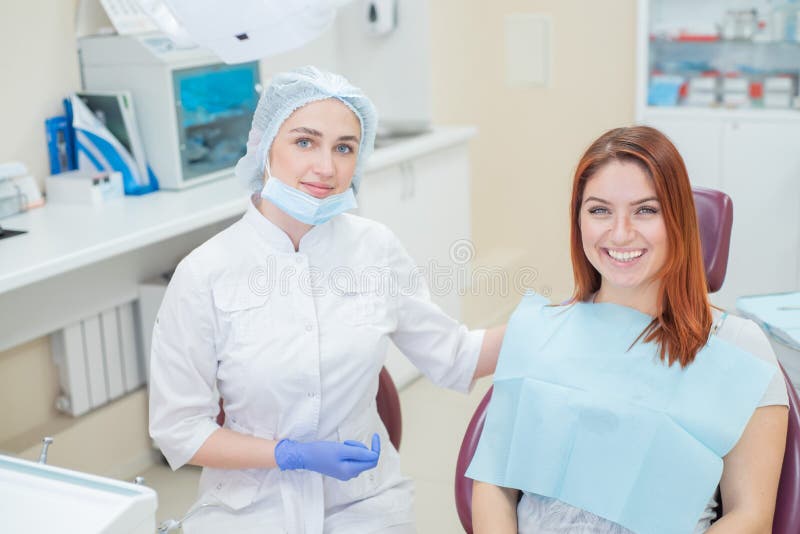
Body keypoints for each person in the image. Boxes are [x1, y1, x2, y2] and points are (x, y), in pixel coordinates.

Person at [148, 66, 505, 533]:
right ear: (263, 146)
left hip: (366, 503)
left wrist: (564, 320)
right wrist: (287, 455)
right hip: (249, 506)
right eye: (304, 142)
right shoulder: (206, 272)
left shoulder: (375, 248)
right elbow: (179, 429)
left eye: (344, 148)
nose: (326, 167)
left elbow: (455, 356)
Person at [467, 126, 789, 534]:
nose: (620, 233)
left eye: (645, 210)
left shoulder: (738, 349)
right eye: (599, 210)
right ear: (578, 220)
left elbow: (751, 517)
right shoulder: (539, 331)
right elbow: (494, 483)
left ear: (678, 220)